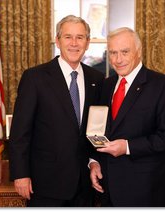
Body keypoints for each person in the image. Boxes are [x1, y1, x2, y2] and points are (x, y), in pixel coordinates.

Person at [8, 15, 104, 207]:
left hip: (84, 185)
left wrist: (94, 160)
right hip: (45, 185)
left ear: (87, 42)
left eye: (80, 37)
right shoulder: (35, 78)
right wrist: (21, 174)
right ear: (57, 41)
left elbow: (97, 128)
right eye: (68, 37)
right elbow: (20, 132)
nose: (74, 43)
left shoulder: (97, 78)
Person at [89, 27, 165, 207]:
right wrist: (94, 162)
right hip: (107, 190)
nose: (118, 59)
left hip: (145, 191)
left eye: (124, 52)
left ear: (139, 51)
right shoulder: (106, 85)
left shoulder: (162, 85)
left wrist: (128, 147)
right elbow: (98, 129)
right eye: (113, 53)